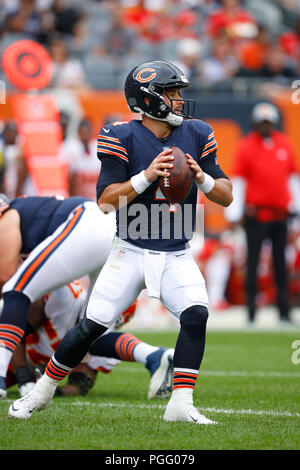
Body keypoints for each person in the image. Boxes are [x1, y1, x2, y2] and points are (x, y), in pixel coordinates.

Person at [9, 60, 233, 424]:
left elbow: (226, 195)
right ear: (149, 99)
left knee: (196, 314)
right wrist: (146, 176)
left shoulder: (198, 132)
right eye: (171, 93)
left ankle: (180, 404)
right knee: (91, 326)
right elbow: (105, 201)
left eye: (178, 93)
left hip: (176, 251)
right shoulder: (120, 135)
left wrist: (202, 179)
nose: (179, 101)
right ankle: (42, 392)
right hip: (130, 249)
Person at [0, 193, 116, 398]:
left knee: (15, 290)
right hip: (109, 229)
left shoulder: (8, 214)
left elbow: (7, 277)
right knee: (91, 327)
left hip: (87, 221)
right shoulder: (27, 214)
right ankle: (155, 356)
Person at [5, 281, 174, 401]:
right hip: (7, 351)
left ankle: (153, 355)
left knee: (93, 342)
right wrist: (22, 375)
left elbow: (80, 384)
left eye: (111, 322)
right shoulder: (65, 298)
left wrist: (53, 391)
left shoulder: (101, 343)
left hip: (26, 370)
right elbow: (15, 328)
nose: (104, 324)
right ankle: (153, 355)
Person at [225, 102, 300, 324]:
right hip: (256, 215)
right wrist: (234, 213)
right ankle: (251, 312)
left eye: (269, 123)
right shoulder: (246, 146)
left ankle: (284, 312)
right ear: (256, 124)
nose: (266, 126)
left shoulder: (283, 144)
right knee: (253, 262)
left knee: (281, 263)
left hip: (280, 215)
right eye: (262, 123)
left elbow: (293, 178)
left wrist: (295, 207)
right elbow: (239, 180)